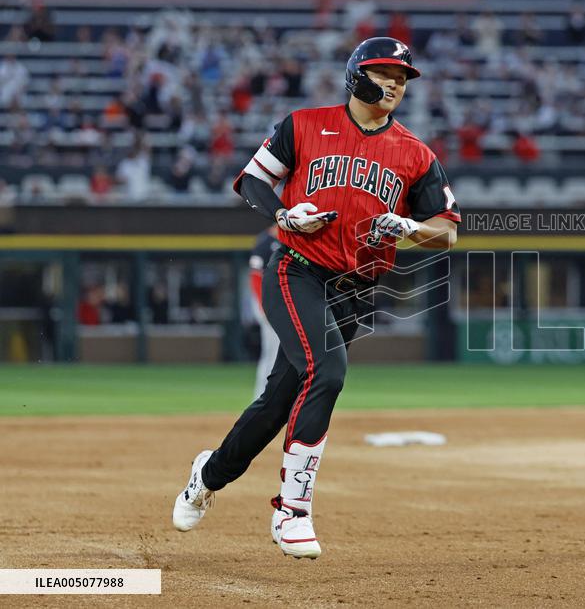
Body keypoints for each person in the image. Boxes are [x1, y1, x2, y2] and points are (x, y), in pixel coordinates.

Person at [172, 37, 461, 559]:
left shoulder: (416, 153)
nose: (396, 83)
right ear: (356, 75)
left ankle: (207, 475)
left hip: (357, 288)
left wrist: (409, 228)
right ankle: (293, 509)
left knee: (277, 402)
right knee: (327, 372)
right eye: (385, 73)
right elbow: (252, 182)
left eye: (403, 77)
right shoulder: (304, 124)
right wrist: (284, 215)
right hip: (296, 269)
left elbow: (447, 232)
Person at [249, 226, 281, 400]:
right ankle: (261, 397)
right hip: (267, 303)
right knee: (271, 353)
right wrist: (263, 306)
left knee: (277, 353)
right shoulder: (265, 242)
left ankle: (271, 397)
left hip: (280, 304)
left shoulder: (288, 240)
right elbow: (255, 276)